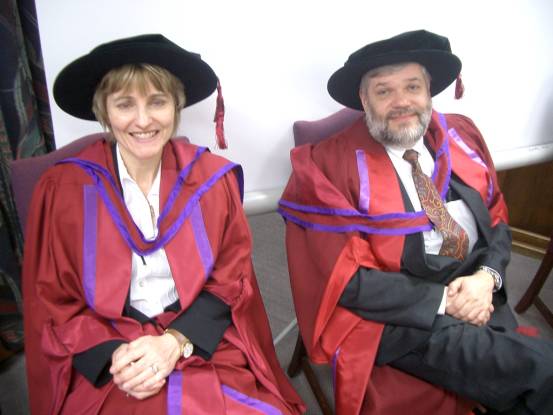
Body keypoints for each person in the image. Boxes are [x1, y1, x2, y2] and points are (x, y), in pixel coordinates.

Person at [22, 34, 305, 414]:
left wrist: (174, 341)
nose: (143, 120)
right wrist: (118, 358)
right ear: (104, 113)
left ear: (176, 106)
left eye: (157, 101)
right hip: (109, 346)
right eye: (125, 104)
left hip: (201, 340)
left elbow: (231, 278)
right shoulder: (64, 190)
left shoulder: (209, 180)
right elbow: (52, 298)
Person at [279, 30, 553, 414]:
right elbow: (345, 280)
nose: (401, 102)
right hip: (398, 319)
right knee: (539, 372)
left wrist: (485, 279)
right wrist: (446, 302)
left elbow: (497, 223)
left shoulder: (461, 139)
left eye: (412, 86)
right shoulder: (326, 168)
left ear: (429, 92)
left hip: (476, 290)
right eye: (384, 91)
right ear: (364, 99)